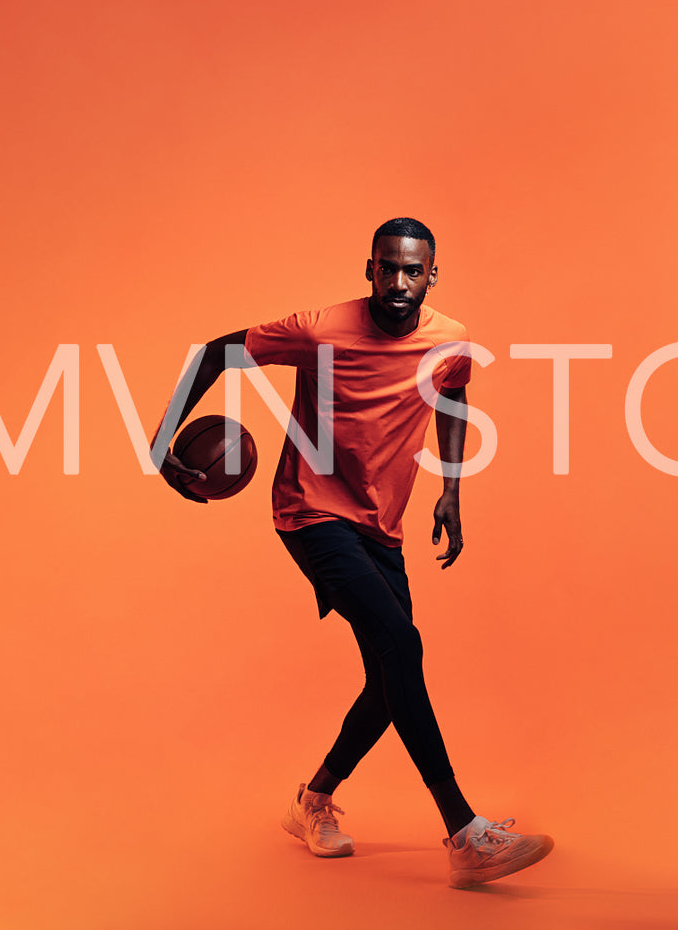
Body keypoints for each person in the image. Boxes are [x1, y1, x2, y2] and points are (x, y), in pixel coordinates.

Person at [154, 217, 553, 888]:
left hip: (381, 523)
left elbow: (453, 402)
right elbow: (215, 354)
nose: (398, 283)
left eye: (411, 270)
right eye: (387, 268)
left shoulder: (449, 340)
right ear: (368, 269)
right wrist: (160, 441)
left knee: (387, 675)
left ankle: (312, 798)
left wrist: (451, 492)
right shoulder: (319, 329)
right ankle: (463, 831)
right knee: (403, 644)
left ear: (431, 274)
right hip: (310, 511)